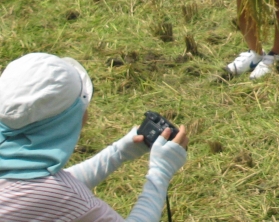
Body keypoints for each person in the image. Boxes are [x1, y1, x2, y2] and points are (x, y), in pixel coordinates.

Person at [0, 53, 188, 222]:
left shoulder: (17, 167)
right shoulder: (69, 200)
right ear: (64, 122)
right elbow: (52, 193)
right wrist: (160, 172)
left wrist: (117, 153)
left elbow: (41, 191)